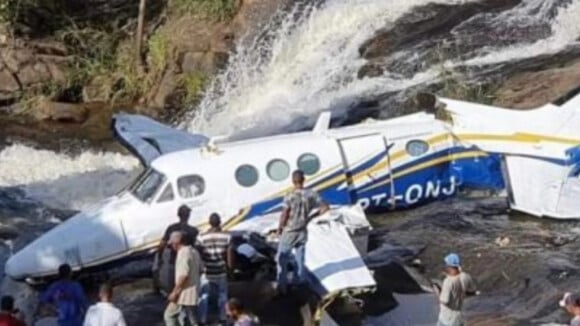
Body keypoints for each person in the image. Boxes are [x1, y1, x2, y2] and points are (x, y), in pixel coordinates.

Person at [276, 170, 329, 293]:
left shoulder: (289, 195)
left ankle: (282, 285)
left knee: (282, 258)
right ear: (303, 179)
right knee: (300, 257)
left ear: (293, 181)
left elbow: (285, 213)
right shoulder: (311, 194)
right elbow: (325, 207)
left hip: (289, 231)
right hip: (303, 230)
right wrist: (311, 217)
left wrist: (280, 228)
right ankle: (298, 282)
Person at [197, 213, 234, 325]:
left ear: (209, 223)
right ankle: (222, 318)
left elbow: (200, 254)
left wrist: (200, 268)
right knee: (222, 295)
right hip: (221, 270)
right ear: (220, 222)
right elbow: (229, 255)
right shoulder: (227, 236)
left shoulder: (202, 237)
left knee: (204, 296)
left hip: (207, 271)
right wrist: (231, 270)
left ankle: (202, 319)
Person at [154, 205, 200, 293]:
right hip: (187, 263)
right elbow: (195, 248)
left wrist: (160, 258)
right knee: (185, 287)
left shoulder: (171, 228)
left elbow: (162, 244)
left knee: (172, 288)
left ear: (178, 215)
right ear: (188, 216)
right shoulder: (193, 231)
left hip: (173, 261)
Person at [164, 231, 202, 326]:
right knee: (191, 319)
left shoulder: (183, 253)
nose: (172, 245)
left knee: (169, 315)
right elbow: (201, 269)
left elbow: (183, 276)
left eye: (172, 243)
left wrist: (175, 292)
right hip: (194, 290)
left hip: (184, 293)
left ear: (178, 241)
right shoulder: (194, 251)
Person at [434, 253, 477, 326]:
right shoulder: (466, 276)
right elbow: (472, 291)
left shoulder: (448, 281)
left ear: (449, 266)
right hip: (459, 317)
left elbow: (445, 301)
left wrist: (437, 292)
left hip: (447, 318)